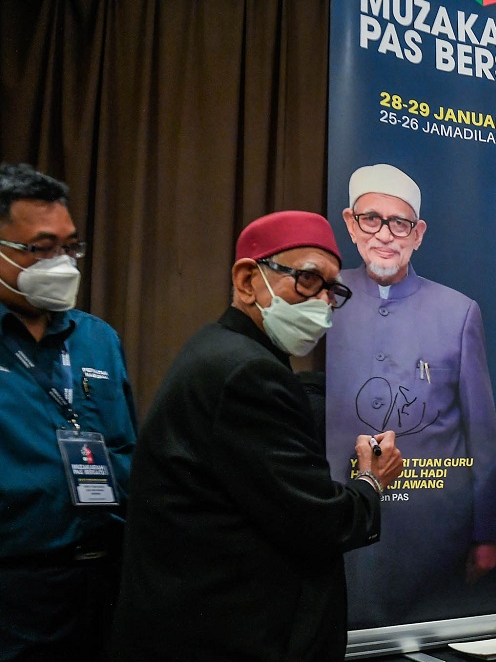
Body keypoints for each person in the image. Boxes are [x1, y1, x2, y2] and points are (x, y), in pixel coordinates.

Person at [112, 211, 403, 660]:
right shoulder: (247, 373)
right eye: (307, 280)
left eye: (331, 289)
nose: (323, 301)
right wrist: (370, 480)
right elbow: (316, 521)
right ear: (248, 280)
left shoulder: (223, 351)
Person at [325, 163, 496, 626]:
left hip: (432, 537)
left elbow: (482, 435)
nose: (385, 234)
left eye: (399, 222)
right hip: (336, 524)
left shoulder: (459, 311)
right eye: (371, 219)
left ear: (418, 233)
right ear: (350, 223)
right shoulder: (323, 300)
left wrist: (488, 534)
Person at [0, 163, 137, 661]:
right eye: (41, 249)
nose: (61, 263)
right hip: (17, 589)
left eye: (70, 246)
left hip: (106, 580)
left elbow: (126, 447)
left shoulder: (98, 339)